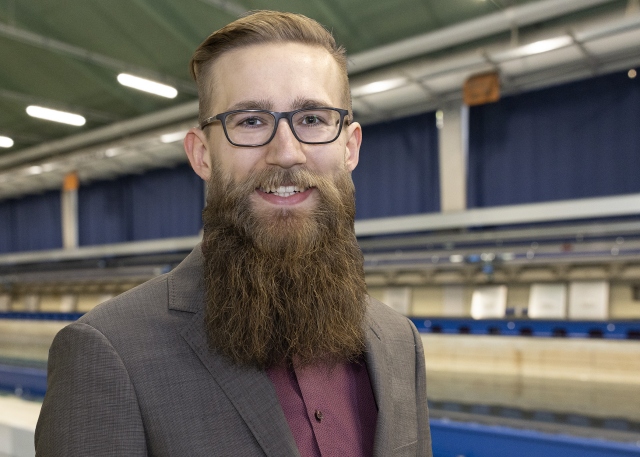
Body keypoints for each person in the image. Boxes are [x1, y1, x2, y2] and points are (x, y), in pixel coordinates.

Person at [35, 10, 432, 457]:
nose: (286, 152)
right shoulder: (109, 355)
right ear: (202, 154)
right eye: (250, 121)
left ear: (350, 146)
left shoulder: (399, 344)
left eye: (313, 119)